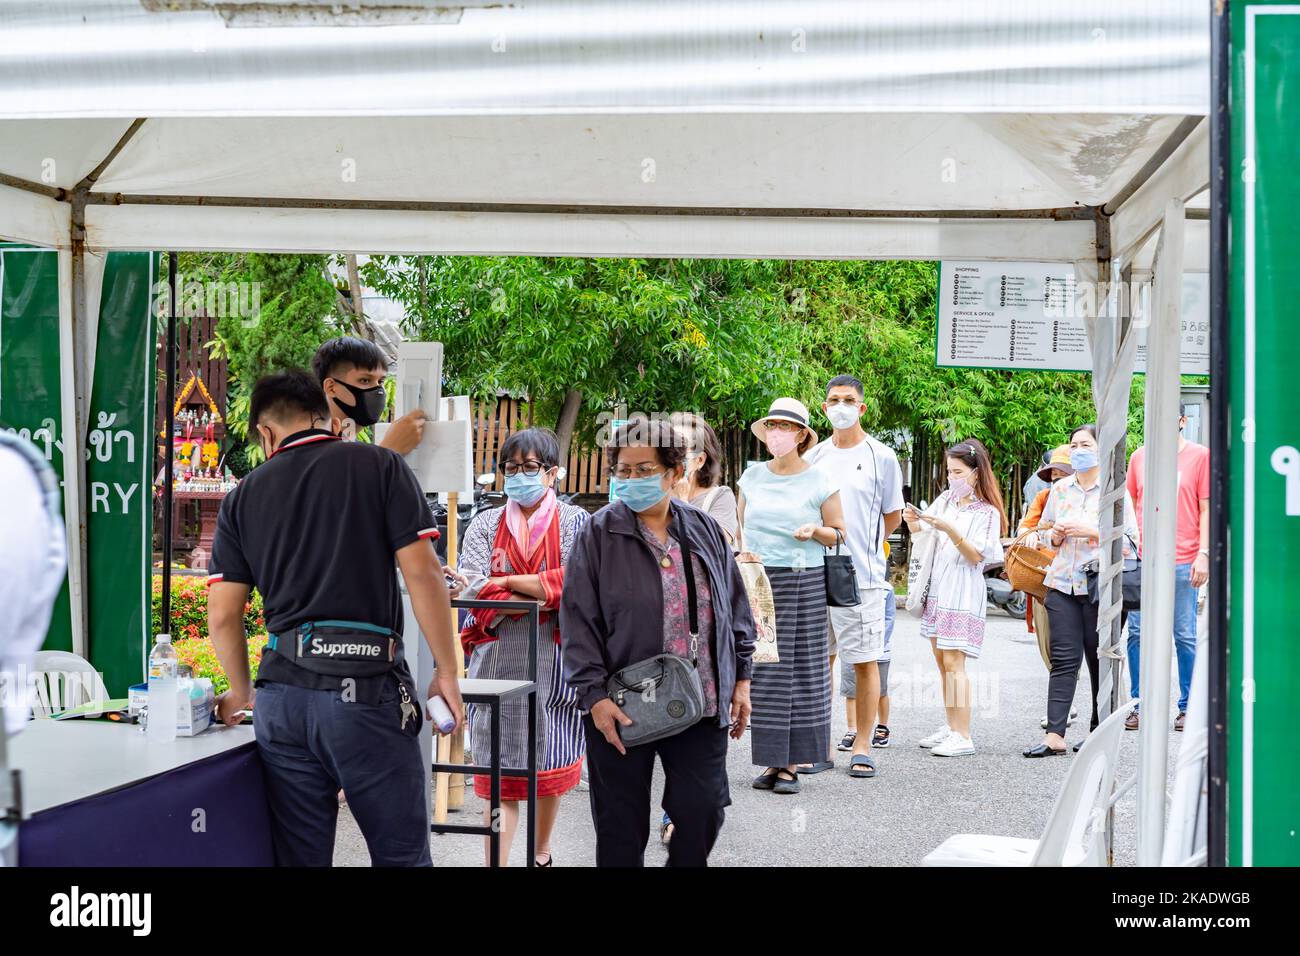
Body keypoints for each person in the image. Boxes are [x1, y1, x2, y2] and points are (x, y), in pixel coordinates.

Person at [207, 370, 464, 866]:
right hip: (367, 695)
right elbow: (424, 576)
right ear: (326, 416)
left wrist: (241, 694)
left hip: (284, 702)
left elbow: (223, 615)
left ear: (265, 433)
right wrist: (446, 672)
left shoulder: (243, 496)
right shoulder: (382, 467)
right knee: (402, 858)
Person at [561, 418, 755, 867]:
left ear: (674, 471)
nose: (630, 479)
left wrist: (741, 679)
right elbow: (577, 621)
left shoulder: (704, 529)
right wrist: (593, 696)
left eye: (644, 469)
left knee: (702, 809)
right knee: (620, 826)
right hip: (621, 704)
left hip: (699, 699)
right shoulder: (598, 532)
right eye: (622, 470)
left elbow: (734, 608)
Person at [449, 427, 588, 867]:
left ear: (552, 474)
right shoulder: (486, 523)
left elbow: (574, 583)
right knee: (497, 767)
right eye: (512, 468)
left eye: (531, 468)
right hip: (496, 661)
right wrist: (536, 594)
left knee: (550, 760)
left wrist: (503, 584)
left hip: (555, 658)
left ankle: (541, 854)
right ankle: (497, 863)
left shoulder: (574, 522)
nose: (520, 475)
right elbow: (472, 588)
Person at [737, 398, 845, 792]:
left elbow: (838, 531)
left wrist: (814, 531)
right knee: (764, 667)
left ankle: (794, 764)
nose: (776, 433)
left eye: (785, 427)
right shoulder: (751, 477)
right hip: (758, 578)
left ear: (801, 434)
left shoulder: (819, 479)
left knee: (802, 669)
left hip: (803, 579)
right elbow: (741, 527)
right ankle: (771, 761)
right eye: (771, 426)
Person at [804, 375, 903, 779]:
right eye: (833, 400)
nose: (840, 406)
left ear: (862, 408)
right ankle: (817, 745)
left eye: (848, 400)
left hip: (862, 578)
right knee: (816, 662)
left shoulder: (883, 457)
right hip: (813, 573)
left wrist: (862, 548)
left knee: (864, 661)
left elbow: (892, 517)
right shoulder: (813, 457)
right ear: (824, 407)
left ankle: (862, 745)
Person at [1023, 423, 1138, 758]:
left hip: (1100, 586)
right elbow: (1045, 535)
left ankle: (1098, 732)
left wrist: (1092, 531)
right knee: (1063, 659)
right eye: (1073, 445)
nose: (1077, 451)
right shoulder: (1060, 490)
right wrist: (1054, 536)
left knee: (1099, 660)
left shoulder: (1115, 491)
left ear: (1101, 449)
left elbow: (1131, 543)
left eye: (1084, 444)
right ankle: (1054, 735)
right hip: (1061, 583)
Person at [659, 411, 738, 847]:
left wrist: (683, 494)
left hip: (705, 636)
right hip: (658, 633)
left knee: (701, 727)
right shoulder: (650, 496)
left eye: (685, 446)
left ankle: (692, 812)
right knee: (666, 723)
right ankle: (676, 812)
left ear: (700, 455)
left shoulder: (718, 497)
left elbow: (718, 546)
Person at [904, 438, 1006, 757]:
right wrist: (914, 523)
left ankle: (963, 735)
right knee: (940, 659)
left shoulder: (987, 513)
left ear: (976, 473)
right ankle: (951, 727)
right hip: (940, 584)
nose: (951, 478)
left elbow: (977, 556)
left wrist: (950, 530)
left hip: (963, 587)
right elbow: (926, 529)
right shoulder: (947, 499)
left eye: (958, 471)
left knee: (954, 660)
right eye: (949, 471)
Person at [1124, 404, 1210, 732]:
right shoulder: (1139, 457)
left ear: (1182, 421)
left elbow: (1206, 508)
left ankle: (1188, 707)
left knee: (1184, 634)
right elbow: (1131, 506)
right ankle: (1138, 705)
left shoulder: (1200, 456)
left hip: (1184, 557)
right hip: (1144, 559)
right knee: (1137, 633)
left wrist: (1203, 553)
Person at [312, 336, 428, 454]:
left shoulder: (352, 446)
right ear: (331, 388)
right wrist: (390, 450)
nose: (378, 390)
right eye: (365, 380)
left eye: (381, 381)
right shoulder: (311, 446)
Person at [1019, 445, 1073, 671]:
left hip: (1077, 581)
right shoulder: (1043, 496)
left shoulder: (1090, 500)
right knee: (1047, 639)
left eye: (1063, 476)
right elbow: (1025, 528)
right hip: (1045, 577)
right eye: (1054, 477)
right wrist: (1030, 537)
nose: (1058, 483)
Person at [669, 411, 739, 546]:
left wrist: (682, 502)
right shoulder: (657, 495)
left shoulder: (720, 497)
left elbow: (716, 545)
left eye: (680, 447)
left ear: (700, 460)